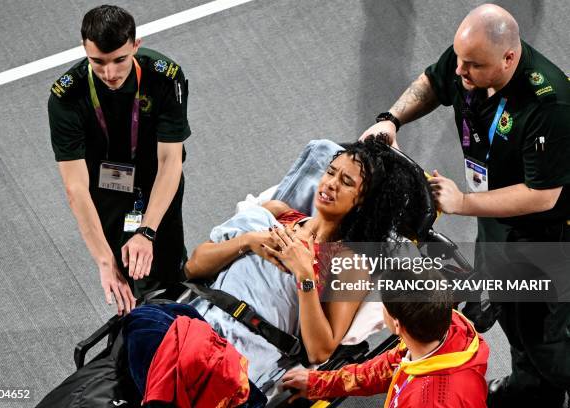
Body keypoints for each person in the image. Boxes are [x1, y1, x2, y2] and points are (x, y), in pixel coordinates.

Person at [359, 4, 570, 406]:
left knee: (547, 338)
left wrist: (462, 201)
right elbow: (433, 83)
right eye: (459, 61)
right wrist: (391, 119)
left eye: (472, 66)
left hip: (548, 238)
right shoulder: (468, 61)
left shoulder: (549, 103)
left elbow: (543, 195)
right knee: (510, 313)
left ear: (509, 58)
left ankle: (549, 380)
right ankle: (532, 391)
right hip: (496, 224)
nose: (460, 72)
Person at [124, 139, 428, 402]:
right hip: (196, 324)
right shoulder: (276, 214)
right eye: (331, 172)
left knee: (181, 354)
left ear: (362, 201)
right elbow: (193, 266)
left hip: (240, 361)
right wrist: (248, 241)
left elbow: (320, 351)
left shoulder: (348, 264)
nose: (330, 184)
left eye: (346, 182)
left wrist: (305, 276)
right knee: (143, 321)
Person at [48, 5, 191, 316]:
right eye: (97, 62)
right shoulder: (66, 97)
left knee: (169, 259)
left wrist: (147, 231)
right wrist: (104, 261)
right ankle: (139, 323)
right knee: (122, 270)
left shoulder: (166, 77)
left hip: (157, 177)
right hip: (106, 186)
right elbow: (76, 188)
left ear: (135, 47)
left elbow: (170, 162)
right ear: (84, 49)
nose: (109, 74)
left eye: (119, 60)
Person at [281, 268, 490, 407]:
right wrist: (320, 383)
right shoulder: (442, 324)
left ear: (397, 324)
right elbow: (387, 367)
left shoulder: (430, 401)